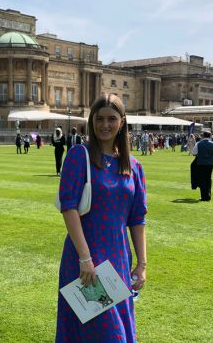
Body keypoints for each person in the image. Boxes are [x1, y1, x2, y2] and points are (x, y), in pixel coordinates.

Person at [56, 93, 147, 341]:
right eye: (99, 119)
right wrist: (85, 258)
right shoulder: (79, 155)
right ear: (91, 121)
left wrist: (141, 264)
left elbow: (137, 218)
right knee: (102, 332)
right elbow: (69, 207)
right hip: (87, 262)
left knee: (112, 328)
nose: (105, 125)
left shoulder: (134, 167)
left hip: (118, 261)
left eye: (111, 119)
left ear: (122, 122)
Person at [191, 131, 213, 201]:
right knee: (208, 179)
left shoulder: (198, 144)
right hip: (210, 164)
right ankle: (208, 195)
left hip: (200, 163)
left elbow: (194, 153)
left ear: (203, 136)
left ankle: (203, 196)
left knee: (202, 179)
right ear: (210, 136)